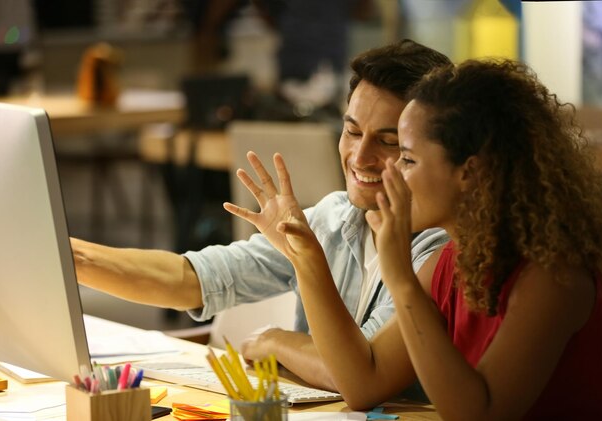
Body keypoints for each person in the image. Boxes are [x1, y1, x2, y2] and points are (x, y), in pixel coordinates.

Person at [226, 59, 602, 418]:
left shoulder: (552, 275)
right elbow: (364, 382)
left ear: (470, 172)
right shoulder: (450, 261)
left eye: (408, 158)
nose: (391, 171)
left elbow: (479, 414)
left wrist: (399, 277)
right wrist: (306, 255)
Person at [71, 39, 452, 391]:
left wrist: (277, 340)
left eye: (387, 142)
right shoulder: (336, 217)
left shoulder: (440, 249)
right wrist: (75, 259)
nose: (360, 156)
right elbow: (198, 278)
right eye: (351, 132)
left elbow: (362, 371)